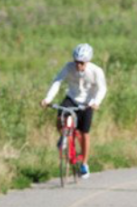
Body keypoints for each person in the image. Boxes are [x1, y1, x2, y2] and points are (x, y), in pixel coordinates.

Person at [40, 43, 107, 179]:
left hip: (88, 103)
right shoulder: (68, 67)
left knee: (84, 134)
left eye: (82, 63)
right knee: (60, 115)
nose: (78, 66)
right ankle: (64, 137)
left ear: (87, 61)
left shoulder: (96, 71)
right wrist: (47, 99)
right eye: (76, 62)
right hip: (72, 98)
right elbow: (57, 81)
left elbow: (102, 88)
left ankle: (84, 163)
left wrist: (96, 102)